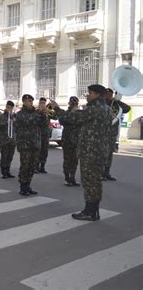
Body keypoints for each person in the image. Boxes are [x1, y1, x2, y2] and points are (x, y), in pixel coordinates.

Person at [50, 84, 112, 221]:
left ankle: (90, 211)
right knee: (95, 181)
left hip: (91, 151)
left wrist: (56, 108)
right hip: (98, 150)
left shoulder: (95, 109)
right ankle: (93, 210)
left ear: (97, 94)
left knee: (90, 181)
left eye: (89, 93)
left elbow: (72, 118)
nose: (87, 95)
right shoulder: (106, 108)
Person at [15, 94, 47, 196]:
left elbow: (43, 125)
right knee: (25, 166)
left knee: (32, 166)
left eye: (31, 101)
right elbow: (27, 121)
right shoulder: (20, 114)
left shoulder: (36, 113)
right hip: (25, 145)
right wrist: (39, 113)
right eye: (28, 101)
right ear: (23, 102)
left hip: (35, 144)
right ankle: (22, 186)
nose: (30, 102)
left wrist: (43, 115)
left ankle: (28, 184)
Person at [102, 88, 131, 181]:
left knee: (109, 155)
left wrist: (117, 101)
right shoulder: (101, 104)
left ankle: (107, 173)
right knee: (102, 155)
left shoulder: (116, 104)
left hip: (112, 135)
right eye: (107, 94)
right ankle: (100, 173)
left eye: (110, 94)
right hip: (102, 134)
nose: (109, 96)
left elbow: (127, 109)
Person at [59, 96, 81, 186]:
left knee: (75, 161)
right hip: (67, 141)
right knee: (67, 160)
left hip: (76, 141)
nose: (74, 105)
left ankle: (72, 177)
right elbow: (62, 121)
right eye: (72, 103)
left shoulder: (79, 114)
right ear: (69, 104)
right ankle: (67, 178)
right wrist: (72, 112)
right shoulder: (65, 113)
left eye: (75, 104)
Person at [0, 101, 16, 179]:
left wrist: (14, 121)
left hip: (12, 140)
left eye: (11, 108)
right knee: (4, 156)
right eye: (8, 107)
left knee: (10, 156)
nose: (9, 109)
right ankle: (3, 172)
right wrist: (7, 122)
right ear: (6, 107)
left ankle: (8, 171)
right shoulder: (2, 116)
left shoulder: (14, 116)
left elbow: (17, 126)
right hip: (4, 140)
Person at [35, 97, 54, 174]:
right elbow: (35, 120)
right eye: (41, 103)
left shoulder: (47, 111)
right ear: (39, 103)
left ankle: (42, 166)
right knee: (38, 150)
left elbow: (55, 117)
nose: (42, 104)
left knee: (45, 150)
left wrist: (49, 110)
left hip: (45, 134)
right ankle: (36, 166)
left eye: (44, 103)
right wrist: (40, 112)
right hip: (38, 134)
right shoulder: (36, 112)